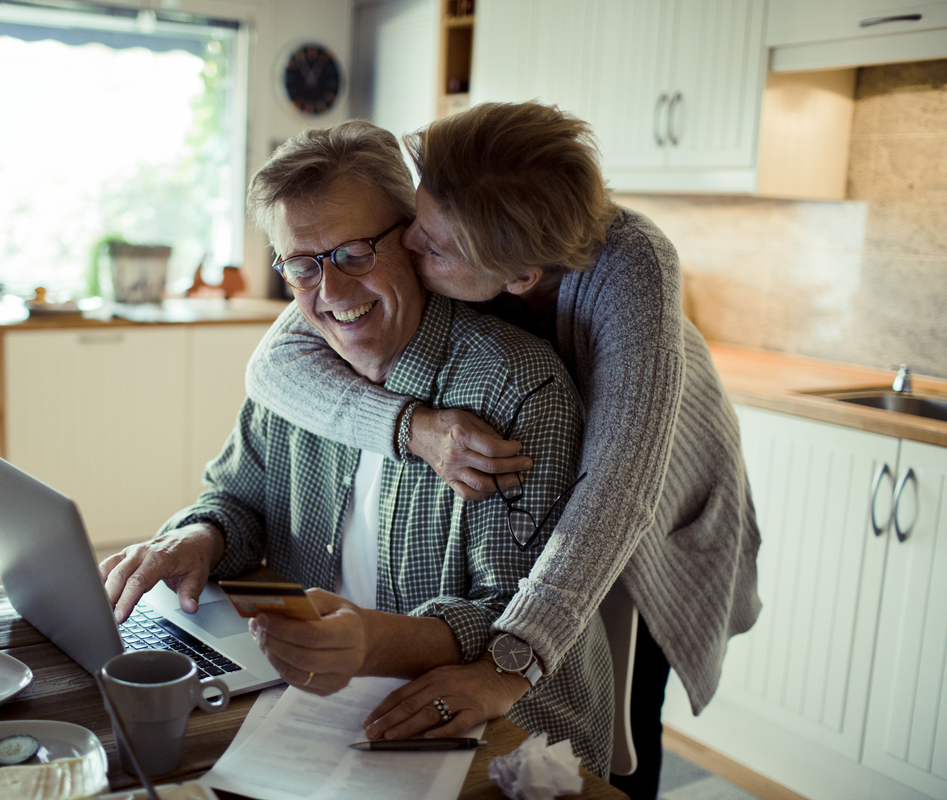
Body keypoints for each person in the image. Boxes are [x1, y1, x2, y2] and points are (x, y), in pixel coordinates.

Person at [243, 102, 762, 800]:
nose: (408, 252)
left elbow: (618, 494)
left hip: (662, 516)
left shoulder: (630, 269)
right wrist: (415, 428)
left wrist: (506, 669)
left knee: (625, 725)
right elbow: (272, 364)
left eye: (427, 246)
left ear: (516, 277)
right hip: (591, 491)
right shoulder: (470, 226)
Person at [100, 120, 614, 777]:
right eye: (302, 265)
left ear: (415, 238)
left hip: (503, 737)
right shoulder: (296, 367)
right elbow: (235, 497)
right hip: (321, 708)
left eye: (353, 254)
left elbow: (519, 620)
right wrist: (196, 539)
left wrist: (370, 643)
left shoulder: (514, 388)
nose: (331, 294)